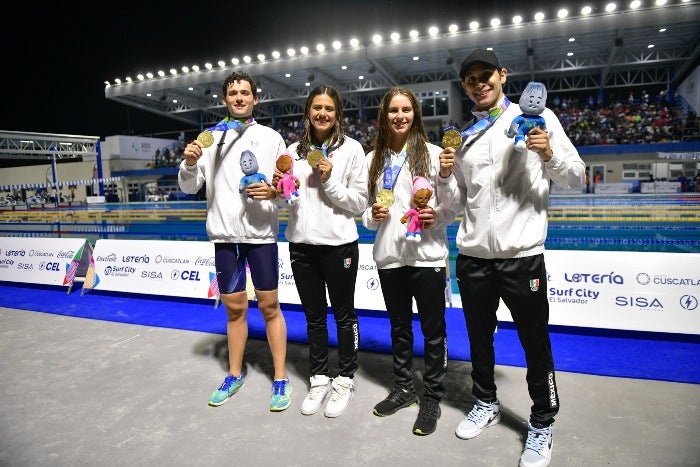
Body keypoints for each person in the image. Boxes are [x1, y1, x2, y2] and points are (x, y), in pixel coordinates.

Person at [439, 49, 585, 466]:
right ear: (465, 87)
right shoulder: (463, 137)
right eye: (471, 79)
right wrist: (446, 175)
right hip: (472, 258)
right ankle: (486, 402)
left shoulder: (539, 118)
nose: (480, 83)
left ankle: (542, 420)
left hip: (522, 258)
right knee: (479, 340)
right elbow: (457, 203)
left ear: (503, 76)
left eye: (487, 75)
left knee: (534, 342)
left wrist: (547, 153)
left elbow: (576, 176)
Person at [178, 70, 293, 412]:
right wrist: (188, 163)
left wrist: (274, 191)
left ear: (255, 98)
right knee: (235, 309)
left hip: (260, 236)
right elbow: (188, 186)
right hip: (225, 236)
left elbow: (288, 190)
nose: (239, 97)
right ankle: (234, 373)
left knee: (270, 307)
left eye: (245, 92)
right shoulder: (209, 139)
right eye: (233, 93)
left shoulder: (271, 138)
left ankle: (281, 377)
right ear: (225, 99)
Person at [361, 87, 456, 436]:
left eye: (405, 110)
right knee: (399, 330)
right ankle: (403, 389)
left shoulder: (433, 155)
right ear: (384, 116)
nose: (399, 116)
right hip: (390, 256)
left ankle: (431, 396)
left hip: (427, 256)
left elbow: (452, 204)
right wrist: (372, 214)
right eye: (392, 110)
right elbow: (366, 218)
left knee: (433, 333)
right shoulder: (373, 159)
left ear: (415, 113)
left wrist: (438, 216)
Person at [273, 84, 368, 418]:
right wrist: (283, 188)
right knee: (314, 317)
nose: (323, 114)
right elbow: (289, 202)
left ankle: (345, 377)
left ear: (337, 113)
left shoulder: (352, 149)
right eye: (317, 108)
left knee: (343, 315)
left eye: (329, 108)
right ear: (307, 111)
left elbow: (359, 202)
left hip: (339, 246)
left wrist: (328, 181)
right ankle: (319, 377)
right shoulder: (292, 151)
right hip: (301, 246)